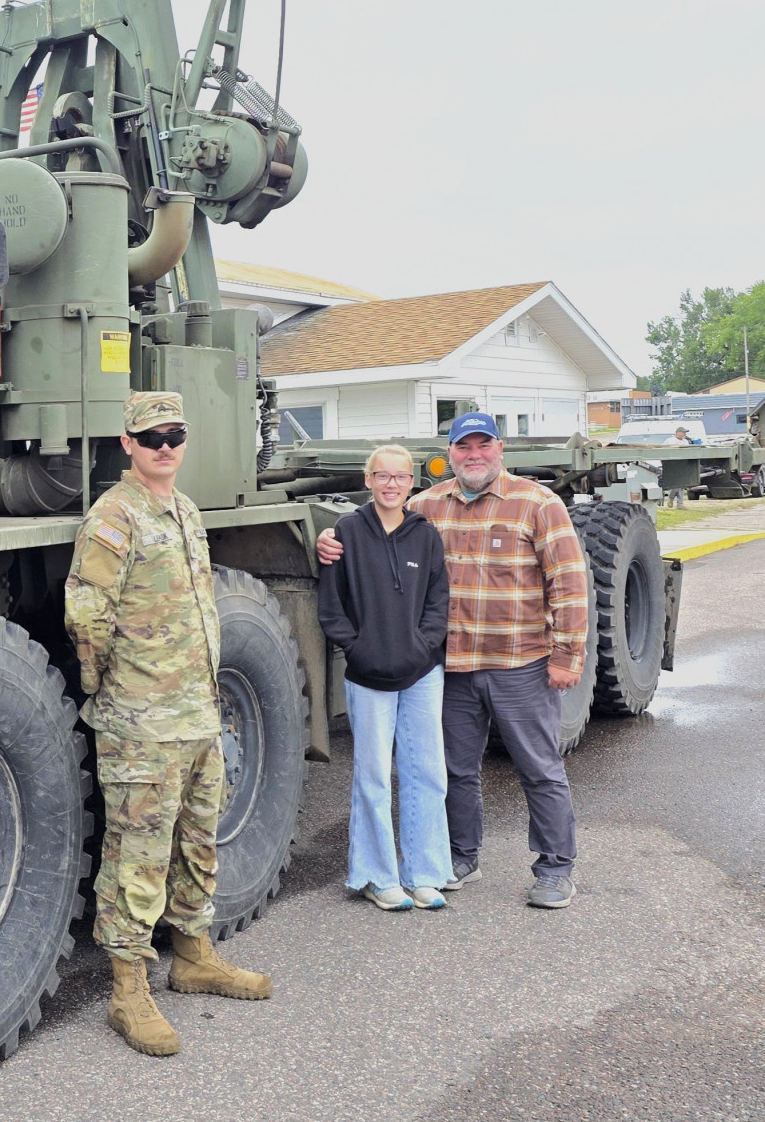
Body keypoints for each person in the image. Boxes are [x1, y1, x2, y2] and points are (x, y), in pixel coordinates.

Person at [65, 390, 273, 1059]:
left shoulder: (183, 509)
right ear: (127, 443)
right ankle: (128, 990)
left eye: (174, 435)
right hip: (142, 721)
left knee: (196, 841)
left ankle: (192, 955)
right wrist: (114, 693)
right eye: (150, 436)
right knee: (137, 856)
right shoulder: (114, 516)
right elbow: (86, 615)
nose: (163, 446)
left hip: (196, 714)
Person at [318, 411, 589, 909]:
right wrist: (330, 540)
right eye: (465, 447)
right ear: (450, 454)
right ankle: (461, 856)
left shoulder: (537, 503)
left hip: (519, 663)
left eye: (484, 446)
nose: (474, 456)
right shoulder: (427, 505)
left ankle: (554, 868)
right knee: (454, 771)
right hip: (452, 666)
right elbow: (378, 517)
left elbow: (568, 581)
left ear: (499, 450)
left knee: (539, 767)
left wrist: (567, 653)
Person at [317, 444, 452, 913]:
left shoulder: (425, 536)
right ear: (368, 479)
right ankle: (376, 875)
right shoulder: (345, 535)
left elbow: (438, 603)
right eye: (382, 475)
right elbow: (331, 608)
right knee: (373, 775)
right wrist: (358, 648)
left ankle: (426, 873)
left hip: (422, 674)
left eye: (400, 476)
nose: (391, 484)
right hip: (367, 674)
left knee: (426, 772)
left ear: (413, 482)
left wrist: (422, 646)